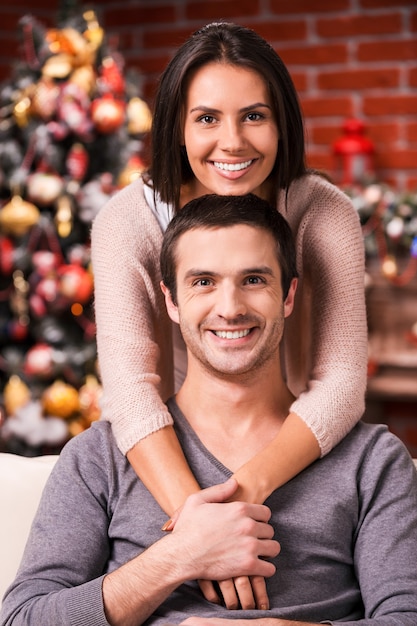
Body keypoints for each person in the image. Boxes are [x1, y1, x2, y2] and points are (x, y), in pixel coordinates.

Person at [1, 194, 417, 626]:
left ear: (288, 295)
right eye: (203, 282)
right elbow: (23, 619)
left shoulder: (372, 461)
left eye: (254, 280)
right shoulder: (98, 459)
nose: (230, 307)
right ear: (172, 302)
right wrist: (177, 556)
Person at [91, 21, 368, 607]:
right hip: (170, 462)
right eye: (208, 118)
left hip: (296, 455)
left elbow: (342, 381)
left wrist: (245, 491)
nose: (233, 142)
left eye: (255, 116)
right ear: (178, 126)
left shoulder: (323, 211)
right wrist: (198, 534)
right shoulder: (127, 222)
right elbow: (129, 388)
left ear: (281, 123)